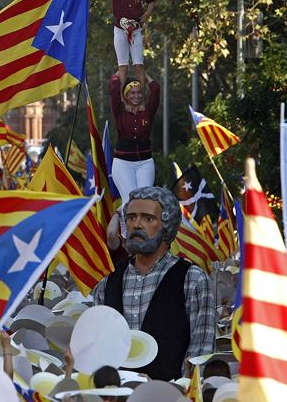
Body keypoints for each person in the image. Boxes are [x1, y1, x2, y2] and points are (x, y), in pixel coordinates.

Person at [93, 187, 215, 381]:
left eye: (148, 219)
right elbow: (97, 348)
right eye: (131, 218)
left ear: (167, 225)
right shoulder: (108, 281)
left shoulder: (192, 280)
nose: (136, 225)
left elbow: (200, 354)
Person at [108, 70, 160, 207]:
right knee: (129, 201)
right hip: (123, 163)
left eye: (139, 92)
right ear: (126, 95)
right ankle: (125, 228)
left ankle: (140, 229)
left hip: (145, 162)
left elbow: (156, 90)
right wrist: (118, 74)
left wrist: (145, 75)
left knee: (144, 201)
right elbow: (113, 90)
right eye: (132, 93)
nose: (136, 96)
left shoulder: (147, 110)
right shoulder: (120, 111)